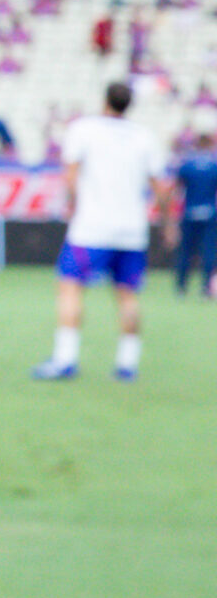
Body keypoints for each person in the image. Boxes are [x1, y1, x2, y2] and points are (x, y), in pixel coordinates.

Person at [34, 83, 164, 381]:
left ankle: (65, 359)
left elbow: (70, 175)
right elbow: (160, 187)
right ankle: (127, 364)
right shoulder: (145, 136)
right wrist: (168, 224)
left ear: (105, 100)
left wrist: (74, 206)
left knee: (70, 286)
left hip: (91, 227)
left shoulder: (84, 129)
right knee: (128, 295)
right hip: (132, 229)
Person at [171, 130, 217, 299]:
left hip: (190, 212)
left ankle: (181, 288)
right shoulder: (214, 166)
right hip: (209, 213)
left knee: (186, 252)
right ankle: (206, 289)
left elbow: (176, 189)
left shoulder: (187, 165)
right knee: (209, 252)